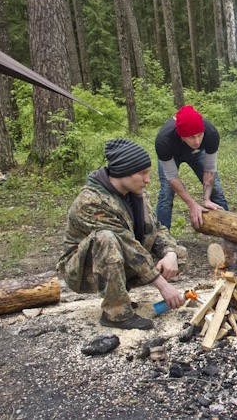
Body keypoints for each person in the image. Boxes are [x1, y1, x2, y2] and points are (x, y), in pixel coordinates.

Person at [56, 139, 187, 330]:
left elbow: (156, 228)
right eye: (142, 173)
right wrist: (163, 285)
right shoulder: (91, 202)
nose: (147, 179)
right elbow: (125, 243)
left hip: (120, 256)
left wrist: (170, 253)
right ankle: (116, 313)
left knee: (179, 254)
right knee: (106, 238)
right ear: (123, 172)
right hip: (84, 269)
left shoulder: (136, 193)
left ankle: (120, 293)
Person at [155, 105, 228, 230]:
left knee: (215, 188)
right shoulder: (163, 140)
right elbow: (172, 177)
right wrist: (192, 205)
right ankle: (162, 238)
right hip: (171, 155)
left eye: (200, 135)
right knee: (166, 194)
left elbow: (210, 169)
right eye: (191, 137)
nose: (197, 141)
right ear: (182, 135)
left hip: (197, 154)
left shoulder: (211, 134)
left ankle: (230, 231)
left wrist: (206, 199)